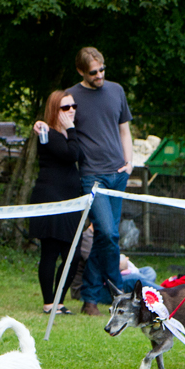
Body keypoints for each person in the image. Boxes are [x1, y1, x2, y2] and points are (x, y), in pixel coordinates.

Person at [66, 47, 133, 316]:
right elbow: (60, 125)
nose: (99, 75)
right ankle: (119, 295)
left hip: (118, 174)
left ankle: (90, 298)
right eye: (93, 72)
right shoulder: (72, 96)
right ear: (81, 71)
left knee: (104, 238)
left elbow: (124, 129)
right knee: (107, 233)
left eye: (102, 69)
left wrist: (129, 164)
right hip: (92, 176)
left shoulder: (116, 90)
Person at [31, 91, 82, 314]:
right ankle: (49, 302)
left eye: (73, 106)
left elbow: (78, 153)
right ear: (55, 111)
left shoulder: (72, 134)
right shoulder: (47, 132)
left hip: (71, 201)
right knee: (50, 251)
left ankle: (59, 300)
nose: (71, 110)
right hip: (51, 199)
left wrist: (71, 130)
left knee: (74, 253)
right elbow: (71, 155)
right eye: (65, 107)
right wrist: (70, 129)